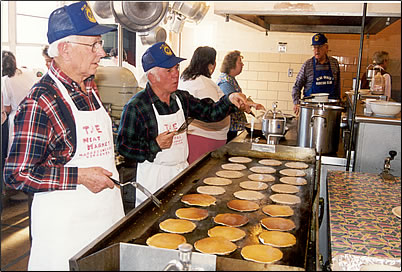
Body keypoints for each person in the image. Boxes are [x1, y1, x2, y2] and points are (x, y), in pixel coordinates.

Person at [3, 2, 125, 270]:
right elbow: (17, 173)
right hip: (67, 234)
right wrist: (79, 176)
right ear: (65, 49)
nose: (102, 52)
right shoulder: (41, 101)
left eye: (100, 44)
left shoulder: (89, 88)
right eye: (93, 44)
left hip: (106, 219)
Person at [116, 42, 252, 207]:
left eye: (176, 68)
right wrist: (154, 145)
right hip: (155, 178)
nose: (176, 74)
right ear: (151, 76)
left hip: (181, 172)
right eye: (169, 70)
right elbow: (124, 147)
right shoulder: (137, 106)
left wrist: (229, 100)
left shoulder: (180, 98)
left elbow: (210, 112)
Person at [178, 46, 230, 164]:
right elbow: (213, 113)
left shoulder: (186, 78)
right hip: (205, 139)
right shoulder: (204, 84)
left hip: (195, 137)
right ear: (210, 65)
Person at [217, 50, 264, 143]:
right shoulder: (225, 81)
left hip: (232, 127)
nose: (242, 65)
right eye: (240, 62)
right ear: (231, 64)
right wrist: (252, 105)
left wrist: (251, 104)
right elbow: (234, 103)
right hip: (228, 127)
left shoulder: (231, 79)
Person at [291, 33, 341, 115]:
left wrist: (338, 103)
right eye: (314, 47)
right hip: (310, 110)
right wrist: (296, 103)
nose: (317, 50)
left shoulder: (334, 63)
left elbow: (337, 87)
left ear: (326, 48)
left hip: (329, 110)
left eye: (320, 47)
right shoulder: (308, 65)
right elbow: (297, 86)